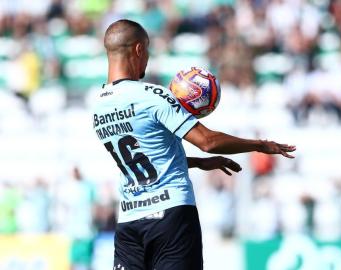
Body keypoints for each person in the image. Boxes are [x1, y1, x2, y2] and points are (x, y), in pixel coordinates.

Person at [92, 19, 296, 270]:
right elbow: (208, 141)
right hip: (171, 217)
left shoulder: (99, 106)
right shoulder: (150, 95)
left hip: (129, 224)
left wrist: (199, 163)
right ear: (138, 50)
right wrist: (259, 145)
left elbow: (142, 158)